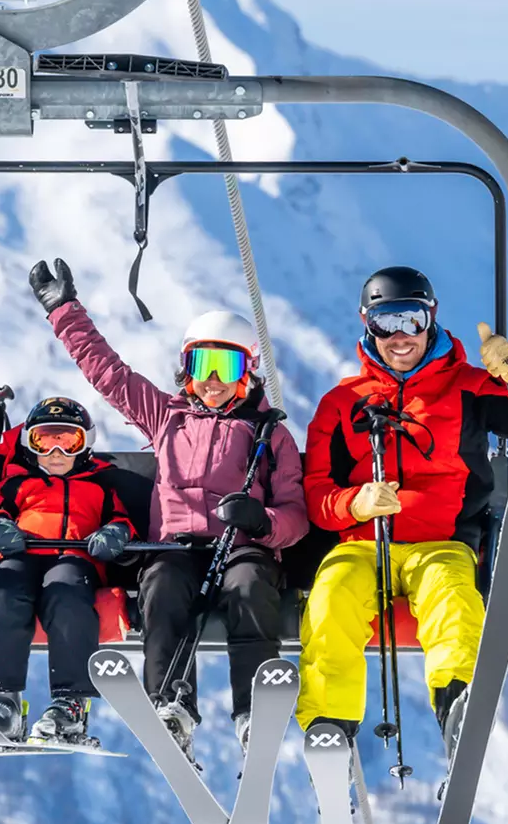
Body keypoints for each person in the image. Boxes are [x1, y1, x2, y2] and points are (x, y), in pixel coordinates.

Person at [30, 259, 308, 758]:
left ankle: (251, 713)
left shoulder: (271, 434)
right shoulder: (167, 417)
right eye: (202, 367)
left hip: (240, 547)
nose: (213, 381)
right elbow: (109, 374)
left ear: (248, 372)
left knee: (249, 590)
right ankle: (171, 705)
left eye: (227, 368)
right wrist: (64, 312)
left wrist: (261, 522)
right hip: (174, 547)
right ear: (186, 371)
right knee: (160, 588)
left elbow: (294, 516)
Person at [296, 266, 508, 755]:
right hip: (362, 546)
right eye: (385, 324)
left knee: (454, 602)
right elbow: (315, 494)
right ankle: (328, 725)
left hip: (441, 544)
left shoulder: (469, 387)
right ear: (366, 325)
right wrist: (354, 503)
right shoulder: (341, 404)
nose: (400, 338)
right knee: (330, 598)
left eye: (411, 321)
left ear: (431, 320)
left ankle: (459, 706)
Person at [0, 396, 136, 747]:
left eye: (68, 441)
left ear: (84, 443)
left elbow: (121, 519)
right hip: (21, 555)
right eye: (44, 441)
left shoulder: (99, 485)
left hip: (75, 559)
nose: (56, 452)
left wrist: (116, 533)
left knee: (66, 593)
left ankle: (70, 702)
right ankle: (3, 700)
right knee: (2, 592)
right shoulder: (18, 484)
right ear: (30, 444)